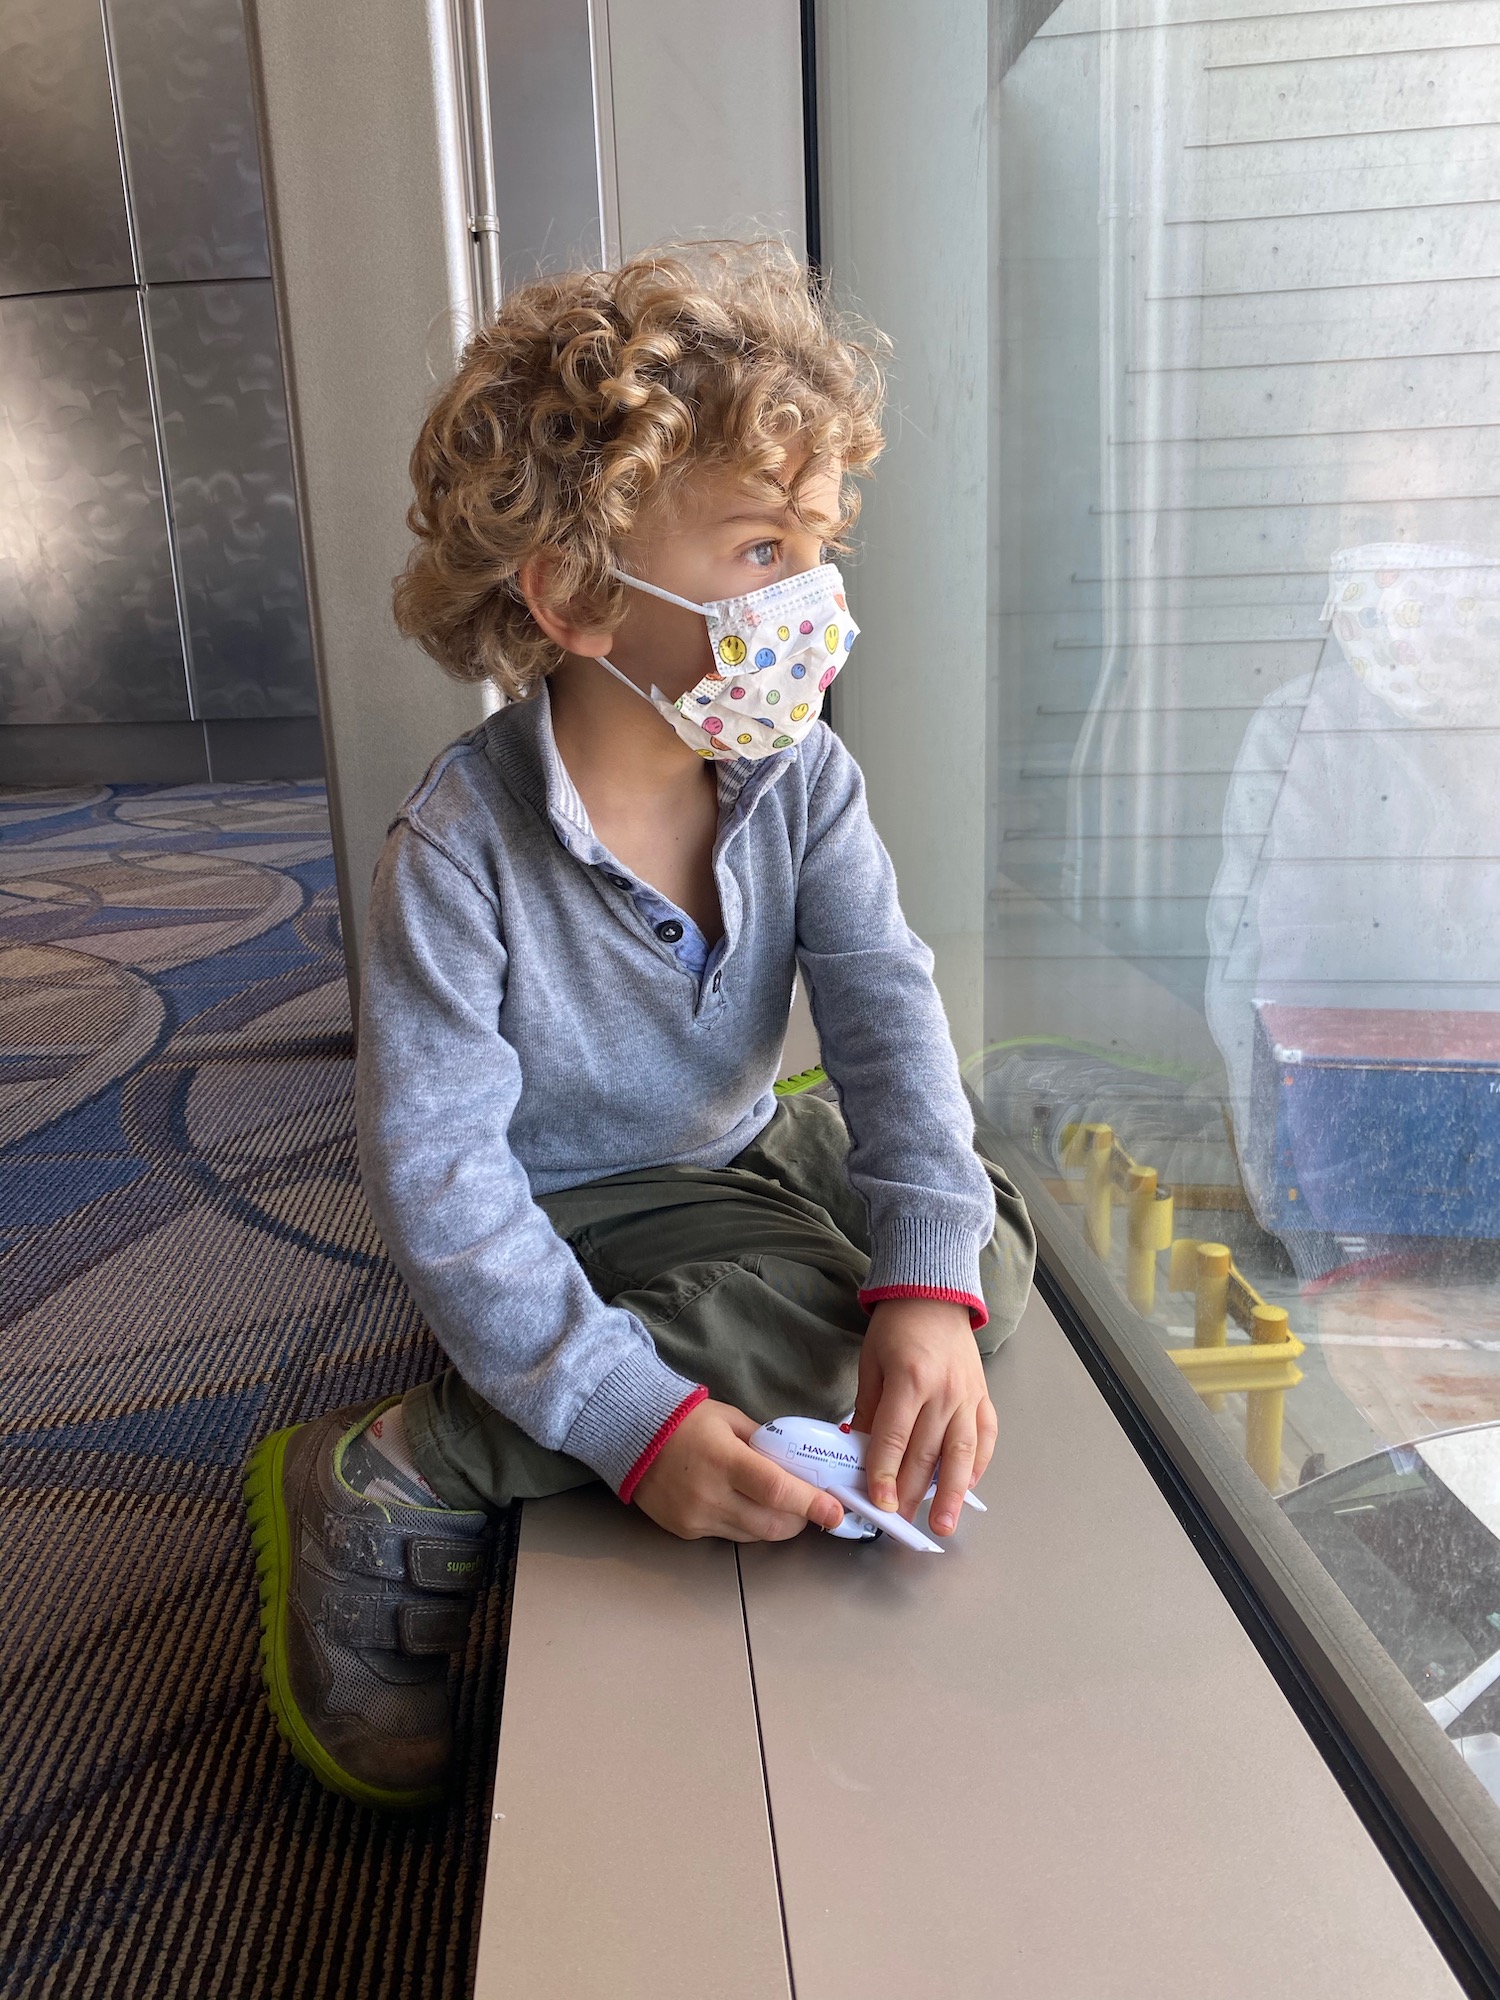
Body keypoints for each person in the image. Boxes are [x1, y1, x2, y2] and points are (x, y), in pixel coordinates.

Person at [242, 242, 1035, 1810]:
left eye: (820, 541)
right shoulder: (457, 851)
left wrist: (930, 1284)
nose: (814, 597)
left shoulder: (802, 775)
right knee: (829, 1318)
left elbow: (885, 1006)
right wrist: (629, 1420)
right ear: (579, 595)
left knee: (974, 1241)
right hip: (575, 1198)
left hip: (733, 1138)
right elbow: (442, 1182)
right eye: (759, 547)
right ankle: (405, 1470)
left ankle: (764, 1313)